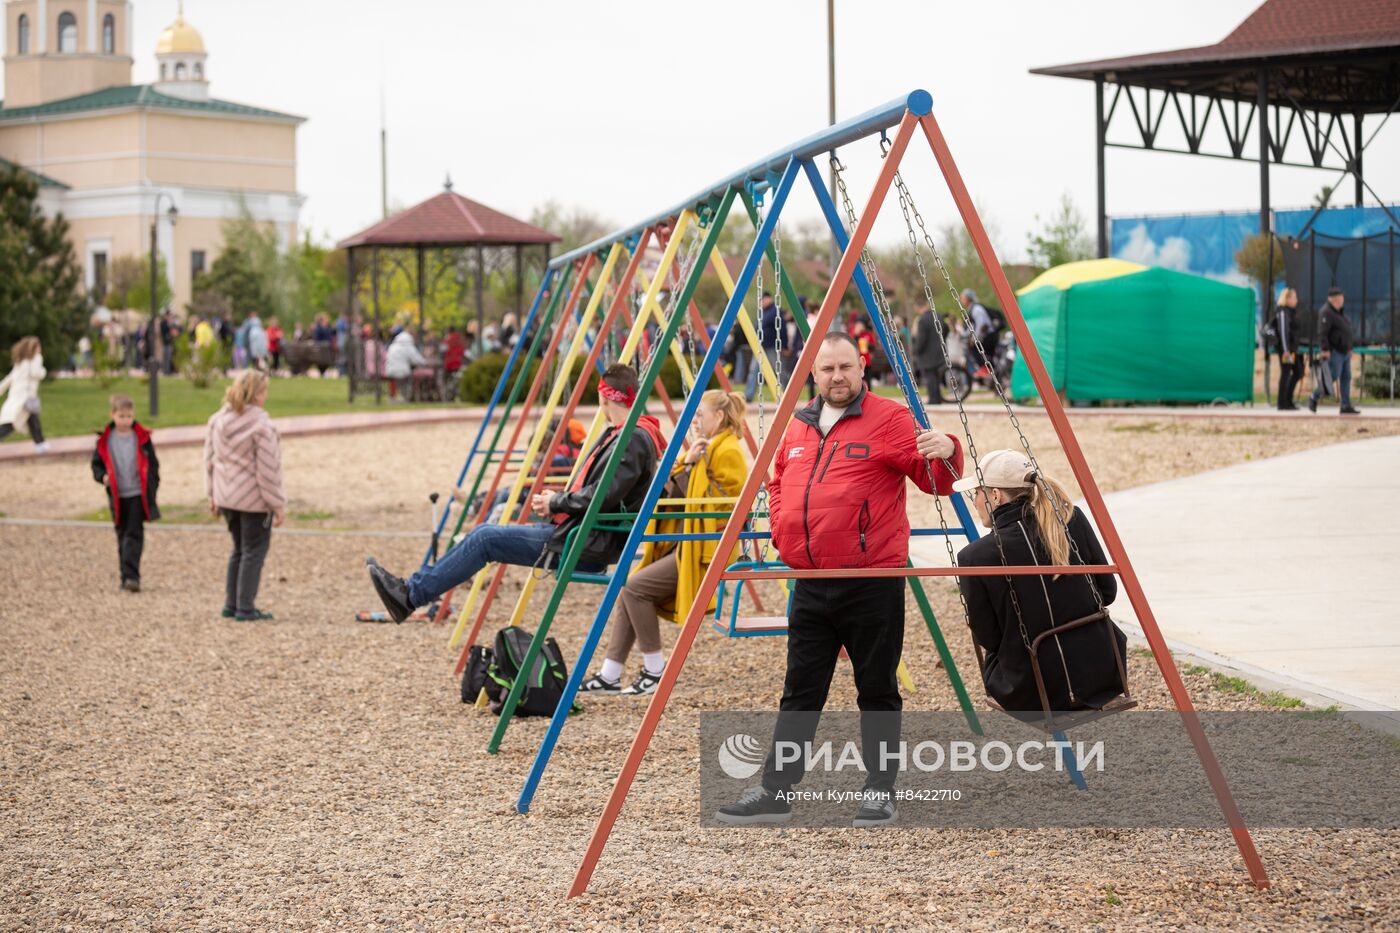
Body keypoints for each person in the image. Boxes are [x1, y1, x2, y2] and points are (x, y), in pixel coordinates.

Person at [715, 333, 963, 828]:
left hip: (871, 579)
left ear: (862, 365)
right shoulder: (800, 426)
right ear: (813, 373)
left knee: (876, 687)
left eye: (846, 366)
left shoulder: (889, 420)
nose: (837, 377)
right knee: (800, 689)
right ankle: (775, 789)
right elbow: (778, 481)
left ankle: (879, 789)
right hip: (810, 580)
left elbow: (935, 481)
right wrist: (786, 537)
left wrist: (948, 449)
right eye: (827, 369)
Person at [366, 364, 665, 623]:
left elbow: (603, 495)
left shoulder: (632, 438)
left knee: (485, 538)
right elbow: (604, 490)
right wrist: (555, 501)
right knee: (484, 532)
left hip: (587, 542)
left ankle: (410, 596)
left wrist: (556, 501)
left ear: (604, 397)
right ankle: (410, 592)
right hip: (583, 534)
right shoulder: (629, 433)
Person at [581, 390, 750, 697]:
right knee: (629, 588)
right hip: (687, 541)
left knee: (635, 588)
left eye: (700, 415)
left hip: (707, 548)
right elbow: (676, 490)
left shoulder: (727, 451)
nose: (695, 421)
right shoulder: (708, 448)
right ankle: (610, 673)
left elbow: (724, 501)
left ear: (720, 417)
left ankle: (655, 670)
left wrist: (698, 465)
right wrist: (688, 460)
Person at [953, 450, 1126, 715]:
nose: (974, 502)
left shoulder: (975, 556)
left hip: (1032, 691)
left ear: (995, 496)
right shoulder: (1072, 520)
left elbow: (988, 635)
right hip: (1103, 674)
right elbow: (1107, 591)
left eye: (975, 493)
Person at [204, 370, 287, 622]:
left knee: (238, 549)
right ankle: (245, 606)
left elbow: (209, 460)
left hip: (227, 497)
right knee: (254, 551)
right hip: (254, 501)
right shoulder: (262, 426)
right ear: (258, 394)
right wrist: (277, 504)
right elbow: (268, 471)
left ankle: (232, 603)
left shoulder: (217, 421)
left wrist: (212, 494)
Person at [92, 394, 160, 592]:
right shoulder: (105, 440)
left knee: (134, 533)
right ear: (112, 414)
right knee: (122, 533)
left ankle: (132, 576)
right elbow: (96, 464)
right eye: (121, 416)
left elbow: (153, 466)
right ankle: (125, 576)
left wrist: (152, 488)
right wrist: (102, 476)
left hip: (137, 494)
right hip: (117, 495)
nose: (125, 420)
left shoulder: (142, 438)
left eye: (129, 416)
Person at [1309, 287, 1359, 415]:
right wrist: (1325, 349)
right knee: (1331, 376)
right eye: (1340, 298)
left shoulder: (1339, 313)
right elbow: (1322, 333)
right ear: (1334, 299)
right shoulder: (1326, 312)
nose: (1342, 301)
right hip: (1335, 351)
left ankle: (1345, 405)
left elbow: (1345, 332)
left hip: (1344, 352)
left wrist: (1349, 348)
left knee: (1346, 377)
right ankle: (1314, 397)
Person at [0, 337, 50, 452]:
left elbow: (9, 379)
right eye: (38, 346)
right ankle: (40, 444)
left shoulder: (20, 362)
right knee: (11, 424)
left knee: (33, 420)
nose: (40, 349)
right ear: (33, 348)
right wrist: (43, 371)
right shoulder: (36, 358)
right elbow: (36, 373)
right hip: (25, 399)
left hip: (17, 397)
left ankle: (40, 443)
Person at [746, 292, 785, 402]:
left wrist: (784, 345)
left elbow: (782, 329)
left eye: (762, 300)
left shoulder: (775, 311)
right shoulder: (761, 312)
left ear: (768, 299)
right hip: (759, 347)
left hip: (772, 346)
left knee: (778, 370)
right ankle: (749, 395)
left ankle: (786, 392)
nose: (760, 303)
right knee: (754, 370)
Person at [912, 304, 949, 405]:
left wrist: (917, 350)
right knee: (936, 376)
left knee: (930, 377)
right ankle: (938, 398)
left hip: (927, 353)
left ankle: (933, 399)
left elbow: (921, 339)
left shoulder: (922, 320)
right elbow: (946, 329)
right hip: (940, 350)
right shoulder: (938, 316)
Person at [385, 329, 427, 402]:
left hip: (390, 370)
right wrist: (425, 362)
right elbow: (416, 359)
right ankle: (404, 397)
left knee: (395, 379)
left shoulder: (393, 345)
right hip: (402, 371)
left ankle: (393, 398)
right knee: (409, 378)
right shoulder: (407, 345)